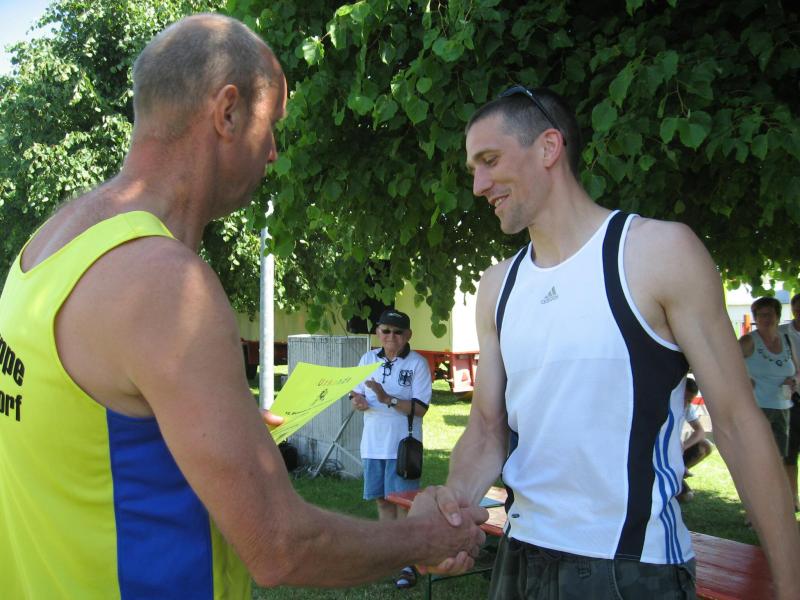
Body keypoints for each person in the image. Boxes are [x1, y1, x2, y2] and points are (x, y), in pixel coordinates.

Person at [0, 14, 487, 599]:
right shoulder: (163, 284)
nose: (274, 153)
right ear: (227, 113)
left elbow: (84, 438)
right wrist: (423, 538)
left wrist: (216, 419)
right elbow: (279, 547)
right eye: (271, 125)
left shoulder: (48, 246)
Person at [415, 85, 800, 599]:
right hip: (520, 555)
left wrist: (791, 584)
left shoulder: (657, 253)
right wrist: (453, 504)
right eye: (472, 169)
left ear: (548, 147)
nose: (479, 185)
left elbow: (735, 422)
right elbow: (487, 428)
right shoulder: (497, 286)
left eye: (489, 161)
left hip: (630, 568)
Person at [350, 308, 433, 589]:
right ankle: (389, 557)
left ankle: (407, 562)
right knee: (383, 502)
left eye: (398, 332)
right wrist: (357, 400)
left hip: (402, 447)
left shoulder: (418, 364)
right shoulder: (367, 359)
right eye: (385, 331)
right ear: (377, 332)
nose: (391, 336)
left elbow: (420, 409)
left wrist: (387, 399)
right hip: (373, 444)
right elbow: (356, 391)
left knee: (403, 505)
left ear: (408, 335)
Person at [740, 297, 796, 486]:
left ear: (778, 317)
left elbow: (796, 370)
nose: (766, 319)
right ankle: (753, 501)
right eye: (761, 315)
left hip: (783, 407)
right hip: (757, 408)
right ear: (755, 318)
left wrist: (793, 381)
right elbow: (727, 365)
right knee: (756, 459)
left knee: (778, 460)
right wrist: (743, 382)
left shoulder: (786, 339)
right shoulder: (749, 341)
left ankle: (773, 499)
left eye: (770, 314)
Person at [777, 293, 800, 512]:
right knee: (789, 452)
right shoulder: (782, 333)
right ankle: (792, 498)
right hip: (790, 399)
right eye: (797, 309)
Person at [677, 377, 714, 503]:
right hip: (660, 456)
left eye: (689, 400)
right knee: (686, 497)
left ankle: (679, 473)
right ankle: (676, 474)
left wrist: (684, 446)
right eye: (684, 399)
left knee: (705, 446)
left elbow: (700, 431)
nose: (685, 404)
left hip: (676, 453)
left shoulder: (687, 407)